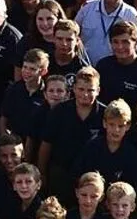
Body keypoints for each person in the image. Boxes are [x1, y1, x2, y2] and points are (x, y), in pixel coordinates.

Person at [38, 67, 105, 205]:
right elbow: (46, 144)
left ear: (98, 90)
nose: (85, 94)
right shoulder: (59, 111)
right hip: (61, 173)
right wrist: (42, 173)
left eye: (90, 90)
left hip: (92, 178)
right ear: (74, 89)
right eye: (81, 89)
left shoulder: (105, 114)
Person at [75, 0, 137, 65]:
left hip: (115, 70)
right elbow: (74, 34)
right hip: (86, 67)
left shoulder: (131, 15)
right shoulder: (87, 9)